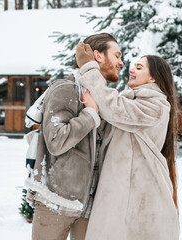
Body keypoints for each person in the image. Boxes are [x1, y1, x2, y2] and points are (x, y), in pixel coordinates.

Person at [75, 42, 180, 239]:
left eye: (139, 67)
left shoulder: (156, 105)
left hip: (138, 196)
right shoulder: (134, 101)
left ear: (153, 78)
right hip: (122, 193)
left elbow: (113, 107)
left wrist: (89, 68)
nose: (131, 69)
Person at [25, 33, 123, 240]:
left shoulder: (104, 98)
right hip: (56, 202)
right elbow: (56, 140)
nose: (121, 63)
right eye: (117, 55)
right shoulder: (66, 89)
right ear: (98, 56)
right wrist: (90, 115)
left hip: (90, 208)